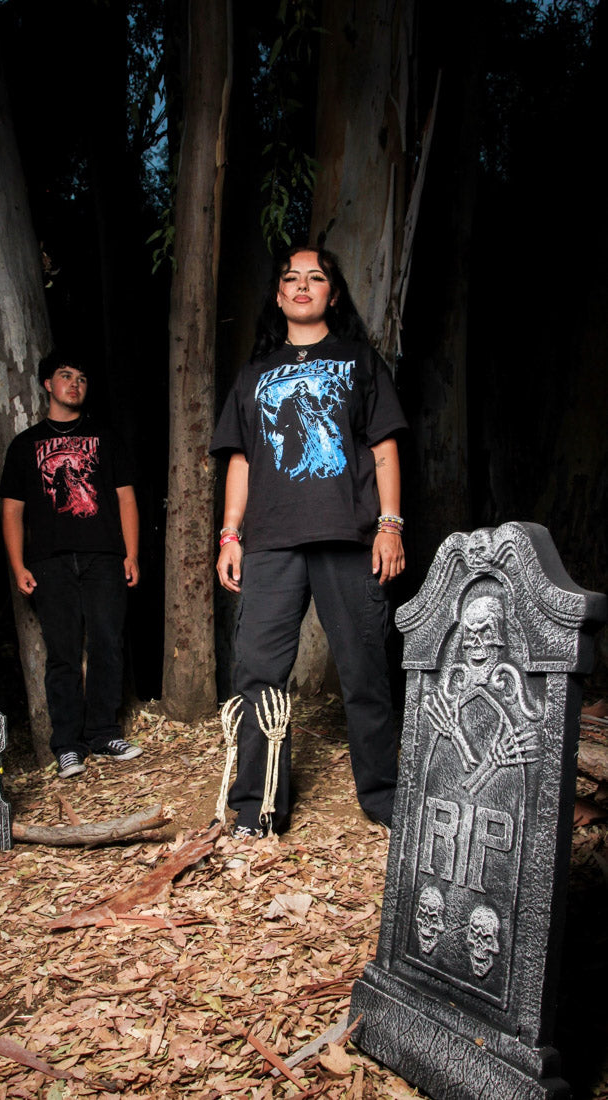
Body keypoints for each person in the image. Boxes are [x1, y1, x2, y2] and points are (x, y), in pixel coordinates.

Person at [210, 245, 407, 838]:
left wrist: (390, 524)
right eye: (291, 278)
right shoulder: (253, 374)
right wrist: (229, 534)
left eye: (315, 277)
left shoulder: (359, 360)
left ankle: (384, 796)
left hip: (348, 535)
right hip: (270, 542)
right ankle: (258, 806)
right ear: (278, 295)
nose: (302, 286)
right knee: (257, 675)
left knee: (365, 669)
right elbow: (240, 460)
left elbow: (384, 447)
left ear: (333, 293)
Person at [0, 350, 142, 778]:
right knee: (62, 654)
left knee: (106, 643)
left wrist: (131, 553)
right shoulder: (25, 445)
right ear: (48, 384)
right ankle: (67, 746)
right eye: (65, 376)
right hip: (50, 561)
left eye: (81, 377)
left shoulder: (106, 437)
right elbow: (11, 511)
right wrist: (18, 564)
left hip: (104, 556)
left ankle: (103, 732)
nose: (74, 384)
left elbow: (125, 498)